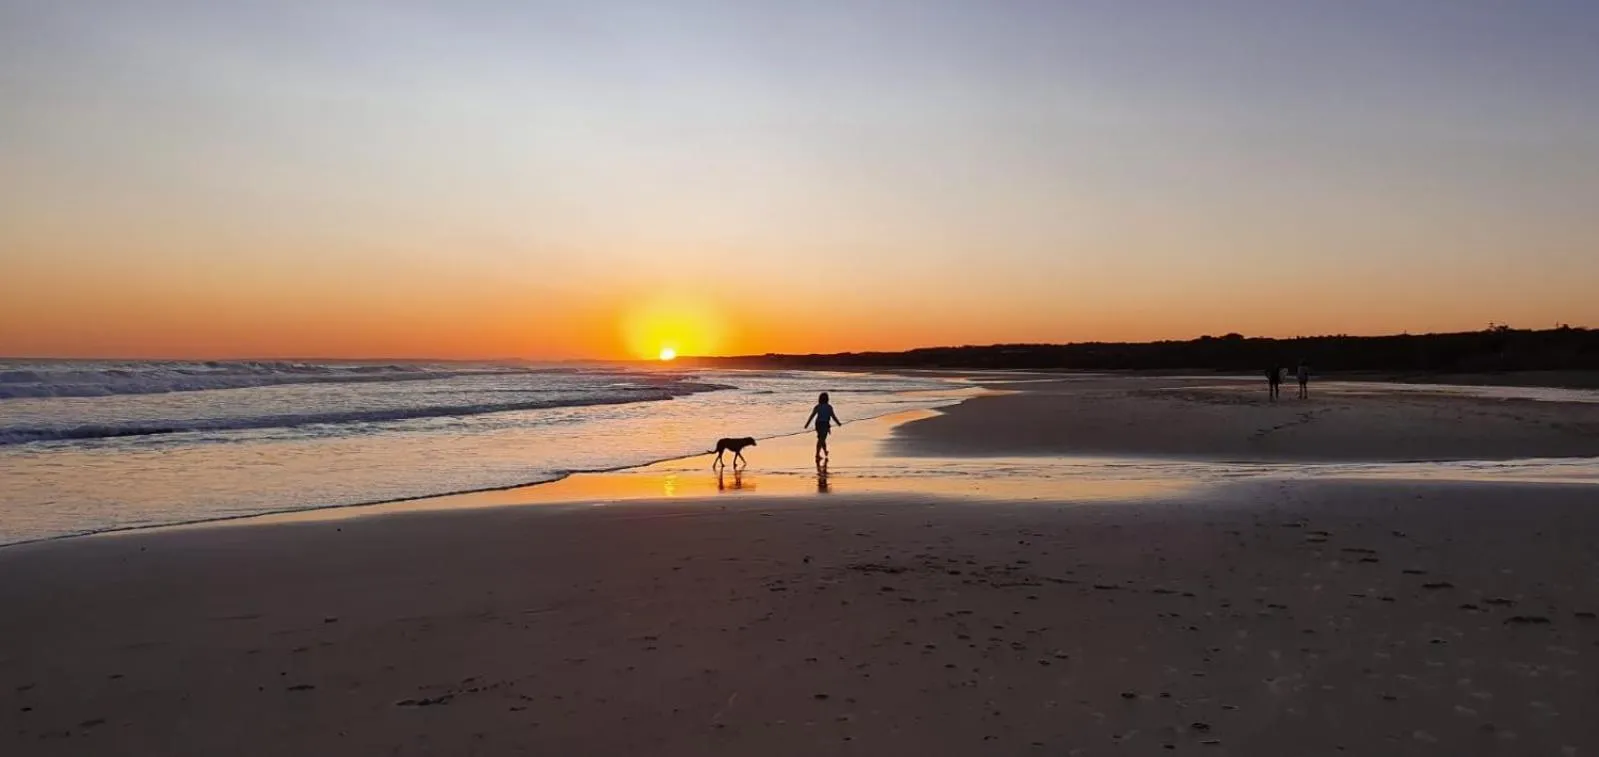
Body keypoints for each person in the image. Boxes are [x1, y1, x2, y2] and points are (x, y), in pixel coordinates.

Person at [804, 392, 844, 462]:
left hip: (818, 424)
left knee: (821, 439)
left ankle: (824, 451)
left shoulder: (818, 406)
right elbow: (833, 416)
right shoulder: (829, 407)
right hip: (824, 424)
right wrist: (838, 423)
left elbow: (812, 416)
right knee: (821, 439)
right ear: (827, 399)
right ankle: (817, 454)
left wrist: (807, 424)